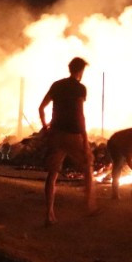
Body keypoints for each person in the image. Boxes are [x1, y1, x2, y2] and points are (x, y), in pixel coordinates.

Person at [38, 57, 97, 225]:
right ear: (80, 71)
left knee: (53, 174)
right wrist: (85, 140)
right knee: (88, 164)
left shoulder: (57, 85)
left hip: (56, 134)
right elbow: (80, 114)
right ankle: (89, 206)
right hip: (72, 134)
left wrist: (46, 127)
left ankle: (49, 214)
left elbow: (41, 108)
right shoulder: (80, 89)